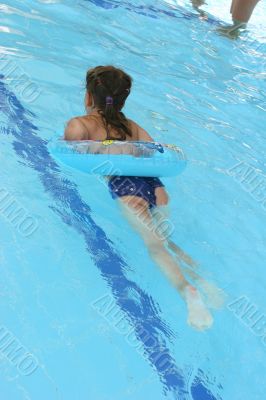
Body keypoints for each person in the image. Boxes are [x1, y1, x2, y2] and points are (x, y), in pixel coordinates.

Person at [64, 65, 224, 331]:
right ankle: (203, 279)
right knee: (164, 239)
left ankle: (188, 292)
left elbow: (70, 152)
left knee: (155, 248)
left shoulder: (79, 124)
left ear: (88, 98)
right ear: (123, 99)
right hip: (157, 188)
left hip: (127, 189)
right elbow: (153, 153)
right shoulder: (133, 126)